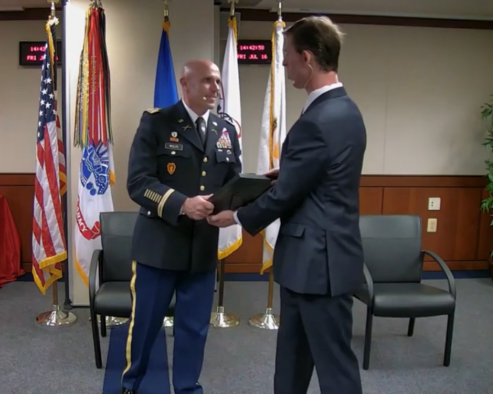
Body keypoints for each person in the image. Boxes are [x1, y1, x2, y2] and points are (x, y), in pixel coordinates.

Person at [207, 16, 366, 394]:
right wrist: (288, 172)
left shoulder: (319, 118)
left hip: (317, 266)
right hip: (315, 263)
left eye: (288, 56)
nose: (283, 64)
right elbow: (319, 177)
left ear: (307, 58)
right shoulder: (345, 110)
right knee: (292, 363)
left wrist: (238, 215)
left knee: (334, 369)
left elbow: (287, 196)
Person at [121, 59, 241, 394]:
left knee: (194, 329)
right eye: (206, 81)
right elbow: (138, 183)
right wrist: (181, 204)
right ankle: (131, 385)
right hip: (159, 247)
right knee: (145, 326)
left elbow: (234, 182)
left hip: (202, 248)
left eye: (217, 82)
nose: (215, 88)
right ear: (184, 84)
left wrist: (233, 210)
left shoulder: (226, 129)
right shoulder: (157, 123)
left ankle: (187, 389)